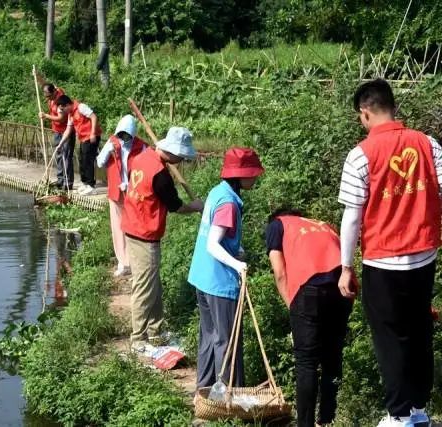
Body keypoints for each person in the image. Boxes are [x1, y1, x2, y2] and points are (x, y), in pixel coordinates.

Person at [338, 78, 442, 427]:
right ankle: (418, 409)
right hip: (424, 258)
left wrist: (344, 267)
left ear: (364, 113)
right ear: (393, 108)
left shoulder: (360, 155)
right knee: (418, 330)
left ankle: (398, 415)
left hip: (383, 262)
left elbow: (352, 216)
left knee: (389, 336)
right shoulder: (428, 144)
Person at [265, 209, 354, 427]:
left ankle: (305, 424)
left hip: (309, 290)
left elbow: (279, 272)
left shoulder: (277, 224)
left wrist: (292, 306)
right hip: (341, 290)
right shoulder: (323, 223)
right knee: (333, 358)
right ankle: (328, 420)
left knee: (306, 362)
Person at [187, 147, 264, 391]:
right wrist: (238, 264)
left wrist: (235, 249)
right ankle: (229, 397)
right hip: (219, 282)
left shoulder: (218, 192)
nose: (255, 177)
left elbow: (217, 235)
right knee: (228, 341)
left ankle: (205, 390)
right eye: (252, 173)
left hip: (202, 277)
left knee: (210, 337)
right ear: (240, 175)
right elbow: (213, 244)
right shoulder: (229, 203)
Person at [122, 127, 204, 350]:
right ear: (174, 152)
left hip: (132, 224)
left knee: (153, 284)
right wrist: (195, 206)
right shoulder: (161, 175)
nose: (181, 160)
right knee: (144, 286)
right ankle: (138, 339)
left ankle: (156, 330)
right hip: (144, 233)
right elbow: (175, 206)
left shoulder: (141, 157)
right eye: (182, 157)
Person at [96, 115, 148, 277]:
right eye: (121, 134)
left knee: (134, 226)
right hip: (116, 192)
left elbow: (148, 167)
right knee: (118, 226)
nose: (123, 138)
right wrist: (108, 151)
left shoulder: (142, 146)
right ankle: (122, 262)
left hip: (134, 193)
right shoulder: (112, 142)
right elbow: (99, 163)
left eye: (127, 135)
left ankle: (134, 261)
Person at [55, 95, 102, 195]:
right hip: (83, 138)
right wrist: (61, 143)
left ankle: (91, 186)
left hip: (91, 137)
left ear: (67, 105)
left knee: (87, 160)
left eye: (63, 109)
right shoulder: (70, 114)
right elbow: (68, 129)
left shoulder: (81, 107)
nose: (63, 111)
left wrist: (93, 133)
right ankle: (85, 183)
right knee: (82, 160)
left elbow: (93, 117)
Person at [38, 83, 75, 191]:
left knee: (66, 156)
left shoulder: (60, 101)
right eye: (45, 96)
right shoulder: (53, 91)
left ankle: (68, 183)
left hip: (66, 131)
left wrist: (46, 116)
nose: (47, 98)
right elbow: (45, 82)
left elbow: (61, 118)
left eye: (49, 96)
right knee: (58, 154)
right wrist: (37, 75)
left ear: (54, 92)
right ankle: (60, 180)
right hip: (57, 131)